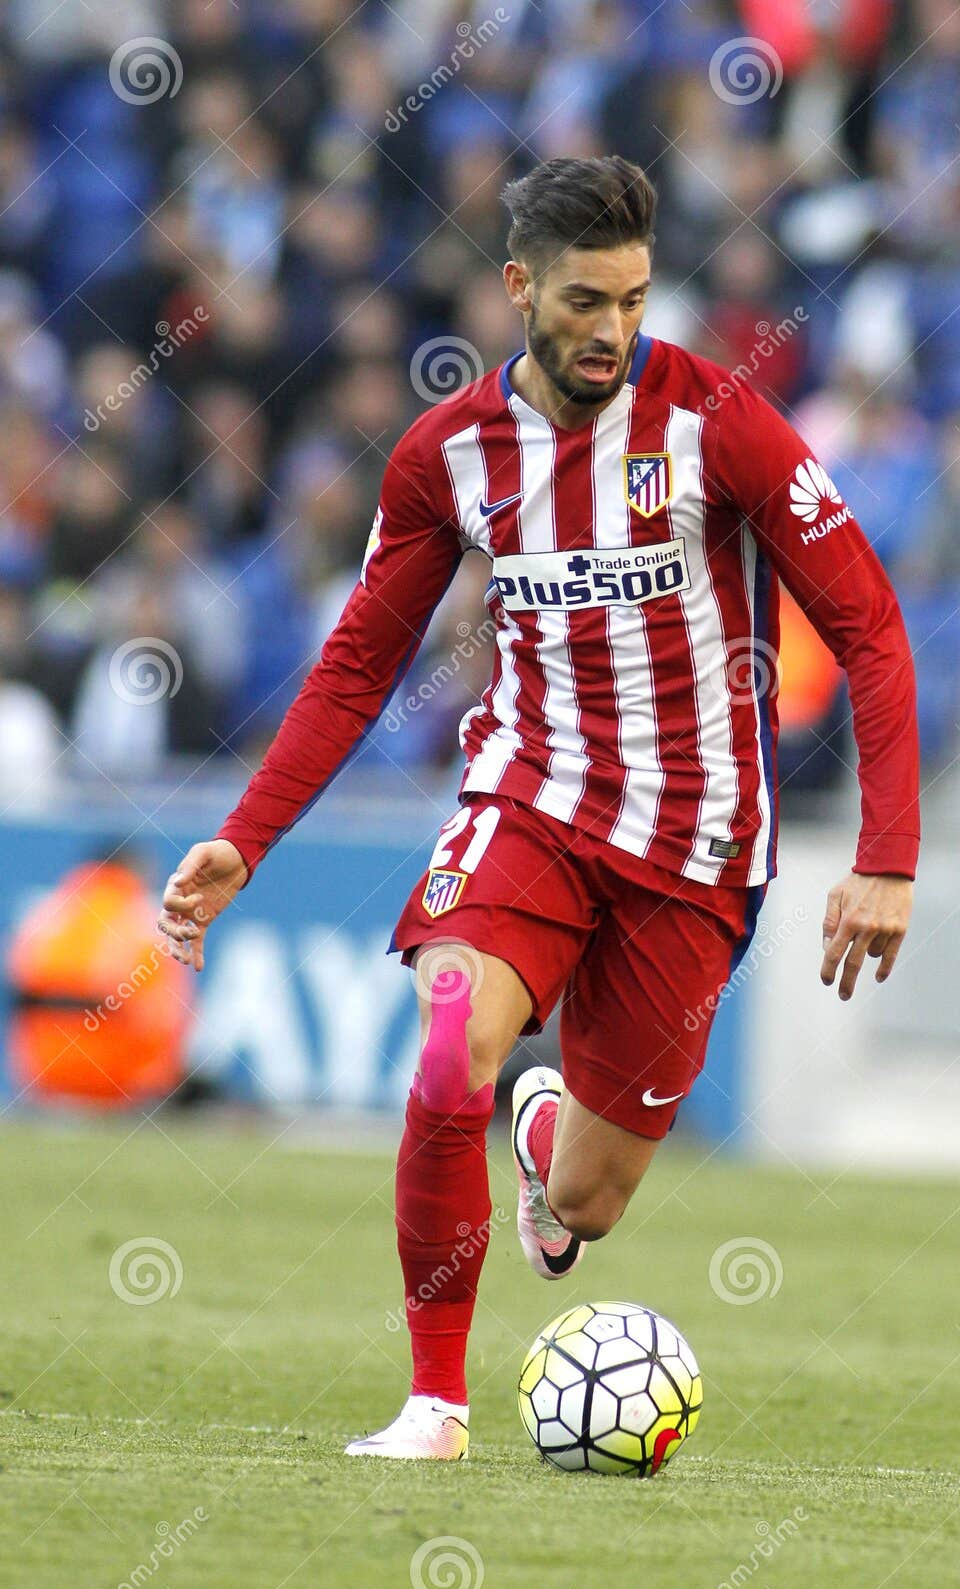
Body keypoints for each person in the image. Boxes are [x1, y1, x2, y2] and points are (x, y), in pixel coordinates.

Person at [157, 157, 920, 1461]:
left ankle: (548, 1134)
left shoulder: (719, 420)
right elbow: (356, 666)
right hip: (533, 792)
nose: (612, 329)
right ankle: (435, 1404)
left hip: (696, 837)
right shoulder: (446, 456)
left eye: (631, 297)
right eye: (584, 300)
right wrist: (247, 833)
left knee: (592, 1200)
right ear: (518, 289)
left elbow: (868, 626)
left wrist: (886, 856)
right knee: (451, 1038)